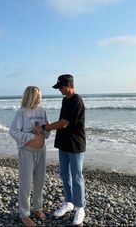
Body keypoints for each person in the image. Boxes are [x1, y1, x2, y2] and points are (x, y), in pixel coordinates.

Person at [41, 74, 86, 226]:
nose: (59, 89)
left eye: (60, 87)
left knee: (77, 176)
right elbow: (62, 122)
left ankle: (80, 207)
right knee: (64, 173)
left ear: (68, 85)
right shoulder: (65, 99)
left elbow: (64, 123)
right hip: (64, 143)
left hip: (76, 144)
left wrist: (44, 127)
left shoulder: (76, 100)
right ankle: (68, 202)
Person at [9, 86, 50, 227]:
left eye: (40, 96)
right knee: (26, 183)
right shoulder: (22, 112)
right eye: (36, 96)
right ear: (30, 97)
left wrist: (43, 131)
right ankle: (24, 214)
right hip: (27, 151)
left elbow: (48, 131)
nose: (39, 98)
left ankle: (37, 208)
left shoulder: (42, 111)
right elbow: (13, 132)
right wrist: (32, 135)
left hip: (41, 151)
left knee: (40, 181)